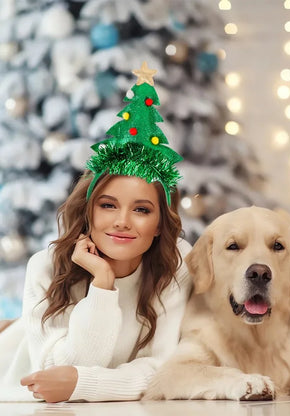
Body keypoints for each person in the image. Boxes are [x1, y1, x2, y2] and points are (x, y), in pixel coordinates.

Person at [0, 63, 192, 402]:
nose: (122, 221)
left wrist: (85, 385)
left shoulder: (177, 264)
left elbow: (160, 367)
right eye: (108, 205)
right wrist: (102, 284)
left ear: (161, 223)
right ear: (88, 212)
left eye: (141, 210)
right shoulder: (44, 266)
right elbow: (59, 371)